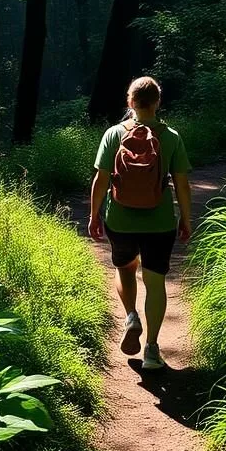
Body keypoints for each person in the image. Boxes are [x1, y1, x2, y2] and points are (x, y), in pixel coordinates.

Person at [88, 76, 192, 370]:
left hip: (120, 219)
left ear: (129, 102)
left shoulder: (113, 134)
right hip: (159, 223)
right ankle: (152, 350)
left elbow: (101, 179)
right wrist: (186, 218)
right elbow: (183, 185)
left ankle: (131, 316)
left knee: (125, 270)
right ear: (158, 102)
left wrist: (94, 215)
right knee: (155, 282)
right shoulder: (171, 136)